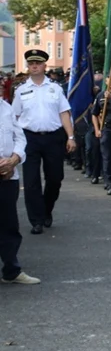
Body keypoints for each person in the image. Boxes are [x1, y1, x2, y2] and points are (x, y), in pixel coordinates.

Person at [11, 49, 77, 235]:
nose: (34, 66)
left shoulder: (55, 88)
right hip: (29, 138)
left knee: (55, 178)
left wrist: (70, 137)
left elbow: (64, 113)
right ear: (28, 66)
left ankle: (47, 209)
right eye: (31, 63)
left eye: (38, 63)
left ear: (44, 66)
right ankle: (36, 220)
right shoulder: (21, 90)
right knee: (31, 181)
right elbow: (14, 117)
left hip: (53, 137)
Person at [0, 96, 40, 285]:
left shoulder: (6, 108)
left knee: (9, 225)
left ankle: (11, 271)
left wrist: (14, 159)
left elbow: (19, 137)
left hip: (8, 175)